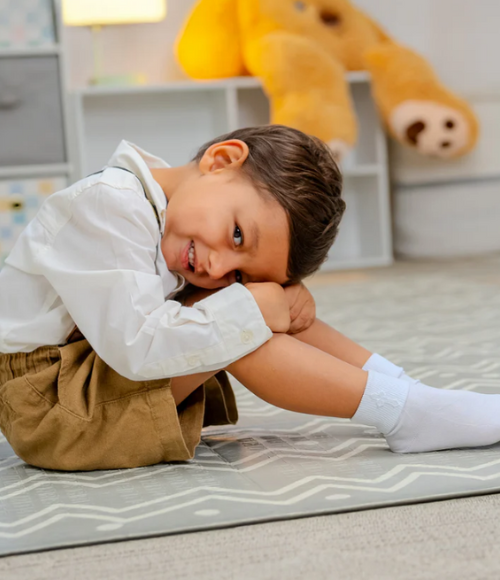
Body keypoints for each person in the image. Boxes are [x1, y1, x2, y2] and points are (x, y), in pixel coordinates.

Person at [0, 125, 499, 472]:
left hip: (90, 374)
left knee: (250, 306)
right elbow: (138, 346)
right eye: (238, 236)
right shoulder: (108, 204)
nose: (218, 267)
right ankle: (407, 413)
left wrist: (271, 292)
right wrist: (251, 305)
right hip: (52, 406)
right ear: (220, 160)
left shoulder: (175, 215)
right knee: (241, 327)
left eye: (238, 266)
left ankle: (407, 389)